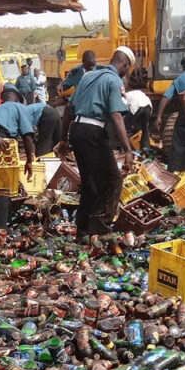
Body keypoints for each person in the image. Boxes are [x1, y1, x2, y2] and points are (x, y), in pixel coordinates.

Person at [54, 46, 135, 242]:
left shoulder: (88, 77)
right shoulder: (114, 80)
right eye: (128, 69)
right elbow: (116, 115)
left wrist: (64, 139)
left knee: (90, 182)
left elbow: (69, 108)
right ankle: (101, 228)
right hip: (93, 132)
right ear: (125, 64)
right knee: (113, 180)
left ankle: (82, 231)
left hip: (77, 130)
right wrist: (128, 150)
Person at [153, 55, 185, 172]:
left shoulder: (178, 80)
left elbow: (165, 97)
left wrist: (159, 117)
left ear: (183, 68)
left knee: (179, 142)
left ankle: (172, 171)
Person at [122, 79, 153, 152]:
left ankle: (125, 149)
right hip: (148, 105)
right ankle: (145, 149)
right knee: (145, 129)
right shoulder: (139, 92)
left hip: (136, 105)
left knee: (125, 128)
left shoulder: (126, 95)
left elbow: (123, 107)